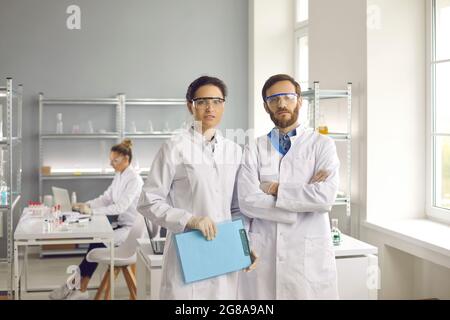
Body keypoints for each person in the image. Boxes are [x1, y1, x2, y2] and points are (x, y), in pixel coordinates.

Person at [137, 76, 257, 300]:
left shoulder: (234, 151)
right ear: (190, 105)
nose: (210, 108)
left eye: (217, 101)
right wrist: (190, 220)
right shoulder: (175, 147)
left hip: (224, 251)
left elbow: (236, 208)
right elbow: (148, 201)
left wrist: (243, 244)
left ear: (224, 105)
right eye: (202, 101)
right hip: (187, 251)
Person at [237, 74, 340, 299]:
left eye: (288, 97)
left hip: (308, 261)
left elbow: (324, 198)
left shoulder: (323, 145)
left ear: (300, 101)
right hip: (265, 257)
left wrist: (274, 189)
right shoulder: (253, 148)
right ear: (266, 106)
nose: (281, 104)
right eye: (274, 99)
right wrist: (302, 200)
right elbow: (247, 201)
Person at [49, 139, 144, 300]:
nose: (112, 164)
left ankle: (76, 286)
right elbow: (105, 198)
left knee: (97, 243)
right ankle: (77, 286)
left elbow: (120, 207)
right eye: (111, 161)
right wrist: (84, 204)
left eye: (115, 160)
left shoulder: (134, 179)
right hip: (121, 226)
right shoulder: (119, 176)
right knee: (96, 241)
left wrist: (92, 212)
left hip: (131, 231)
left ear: (126, 159)